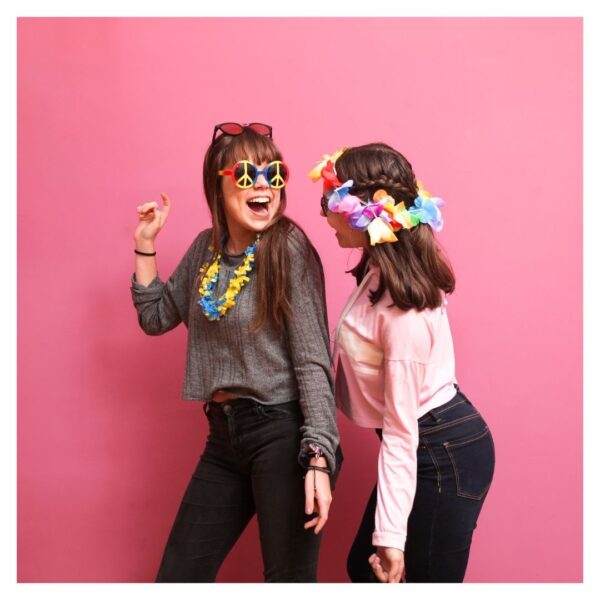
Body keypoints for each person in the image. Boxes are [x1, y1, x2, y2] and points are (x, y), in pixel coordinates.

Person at [130, 122, 341, 583]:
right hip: (224, 436)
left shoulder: (288, 249)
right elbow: (156, 318)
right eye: (246, 174)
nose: (262, 184)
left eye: (273, 173)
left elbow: (312, 359)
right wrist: (145, 244)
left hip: (283, 435)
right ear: (218, 185)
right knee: (177, 578)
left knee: (288, 582)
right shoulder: (205, 252)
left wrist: (319, 456)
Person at [309, 143, 494, 583]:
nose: (323, 214)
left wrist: (391, 537)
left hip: (440, 450)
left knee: (412, 577)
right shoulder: (379, 270)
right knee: (363, 567)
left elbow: (400, 434)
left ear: (367, 213)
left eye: (330, 201)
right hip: (433, 439)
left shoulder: (404, 315)